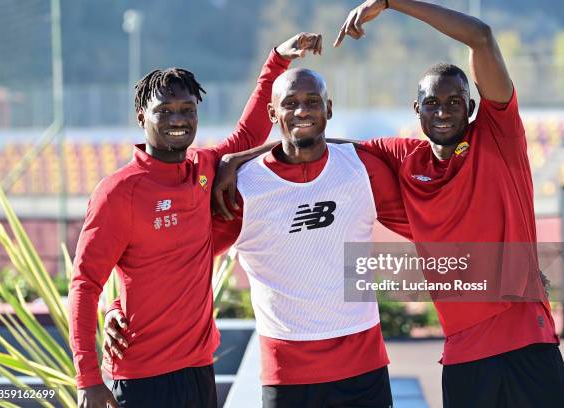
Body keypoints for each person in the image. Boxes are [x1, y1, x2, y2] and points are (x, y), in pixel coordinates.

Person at [105, 66, 412, 408]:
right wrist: (118, 307)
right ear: (272, 112)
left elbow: (430, 226)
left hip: (363, 368)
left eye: (312, 101)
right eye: (290, 103)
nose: (302, 111)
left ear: (329, 108)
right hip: (287, 375)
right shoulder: (242, 187)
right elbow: (177, 262)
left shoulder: (362, 169)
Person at [334, 1, 564, 407]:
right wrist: (239, 160)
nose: (443, 111)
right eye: (432, 103)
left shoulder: (499, 138)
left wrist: (391, 2)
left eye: (454, 102)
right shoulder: (403, 157)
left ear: (472, 107)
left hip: (528, 345)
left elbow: (481, 36)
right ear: (417, 110)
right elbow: (320, 148)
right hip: (464, 356)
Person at [68, 32, 322, 408]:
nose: (178, 119)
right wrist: (88, 379)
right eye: (165, 111)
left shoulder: (203, 168)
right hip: (140, 378)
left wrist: (278, 60)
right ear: (142, 117)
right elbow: (85, 284)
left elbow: (249, 133)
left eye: (187, 110)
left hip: (199, 370)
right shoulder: (118, 192)